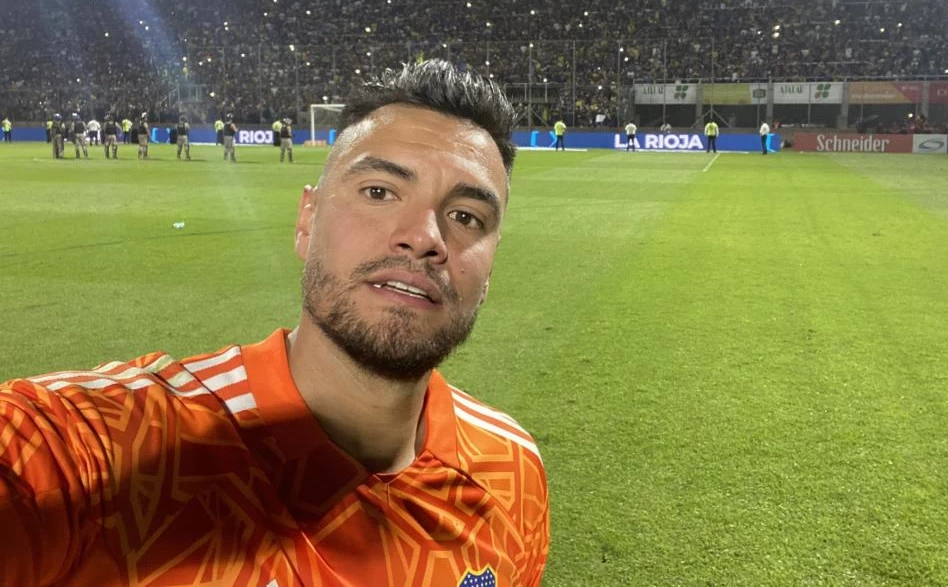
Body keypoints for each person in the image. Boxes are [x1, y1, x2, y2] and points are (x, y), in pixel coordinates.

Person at [0, 60, 549, 586]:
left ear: (493, 263)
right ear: (306, 222)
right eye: (379, 192)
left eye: (465, 217)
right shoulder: (110, 449)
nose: (425, 237)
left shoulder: (512, 472)